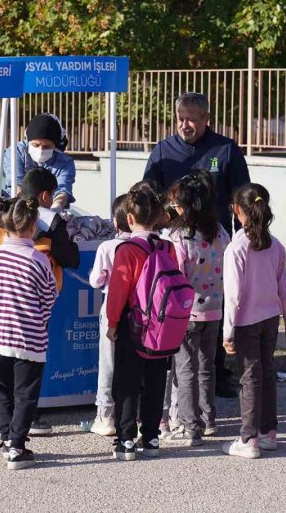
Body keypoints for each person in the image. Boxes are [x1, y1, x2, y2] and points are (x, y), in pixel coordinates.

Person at [143, 92, 251, 398]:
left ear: (206, 118)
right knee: (176, 310)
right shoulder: (164, 151)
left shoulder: (225, 150)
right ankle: (173, 372)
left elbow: (241, 195)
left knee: (212, 312)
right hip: (175, 247)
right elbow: (148, 191)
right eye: (180, 118)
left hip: (214, 248)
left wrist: (247, 237)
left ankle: (216, 374)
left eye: (191, 118)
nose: (185, 124)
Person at [0, 167, 79, 435]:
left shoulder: (3, 214)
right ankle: (23, 430)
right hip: (31, 314)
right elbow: (72, 259)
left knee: (3, 381)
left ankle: (7, 435)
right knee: (26, 380)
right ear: (46, 195)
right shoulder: (48, 220)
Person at [222, 183, 286, 459]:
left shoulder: (237, 248)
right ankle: (268, 433)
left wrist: (227, 332)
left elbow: (232, 295)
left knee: (249, 378)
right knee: (266, 374)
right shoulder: (275, 245)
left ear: (237, 210)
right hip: (270, 320)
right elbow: (284, 289)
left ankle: (249, 438)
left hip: (244, 322)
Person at [0, 196, 58, 471]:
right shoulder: (38, 259)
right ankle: (16, 444)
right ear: (34, 224)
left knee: (2, 388)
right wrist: (39, 320)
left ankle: (6, 437)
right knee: (25, 393)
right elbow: (49, 296)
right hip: (28, 336)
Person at [105, 183, 173, 461]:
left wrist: (111, 322)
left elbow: (118, 290)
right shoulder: (168, 247)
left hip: (132, 324)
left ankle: (126, 440)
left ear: (129, 219)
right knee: (156, 381)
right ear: (158, 216)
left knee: (127, 382)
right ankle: (152, 438)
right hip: (162, 325)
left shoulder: (127, 249)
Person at [164, 171, 230, 446]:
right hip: (215, 308)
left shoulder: (177, 237)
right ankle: (208, 418)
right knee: (207, 366)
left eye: (176, 205)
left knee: (185, 368)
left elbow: (174, 276)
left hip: (185, 312)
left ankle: (190, 426)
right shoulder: (220, 232)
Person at [87, 195, 132, 437]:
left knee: (108, 361)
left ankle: (105, 415)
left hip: (112, 306)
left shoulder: (107, 247)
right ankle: (132, 412)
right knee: (134, 362)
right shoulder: (145, 245)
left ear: (115, 222)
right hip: (140, 308)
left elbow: (96, 280)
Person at [2, 113, 76, 211]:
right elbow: (16, 184)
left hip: (49, 209)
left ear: (55, 146)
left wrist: (55, 209)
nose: (40, 150)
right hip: (18, 208)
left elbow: (63, 190)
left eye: (47, 147)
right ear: (28, 140)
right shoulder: (16, 152)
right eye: (35, 145)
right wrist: (29, 211)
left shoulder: (65, 162)